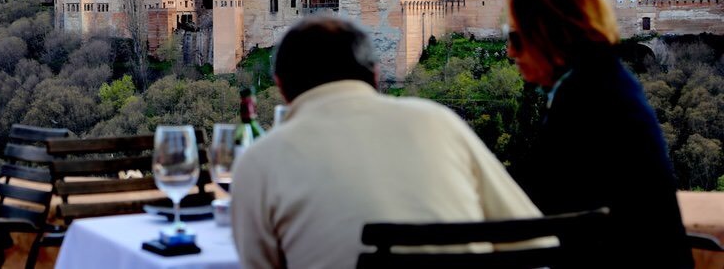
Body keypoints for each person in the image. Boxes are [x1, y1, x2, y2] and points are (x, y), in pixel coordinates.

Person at [231, 16, 544, 268]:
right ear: (376, 75)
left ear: (281, 87)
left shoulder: (259, 162)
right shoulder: (439, 122)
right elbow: (532, 238)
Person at [506, 0, 693, 268]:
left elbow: (536, 197)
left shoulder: (585, 97)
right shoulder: (599, 80)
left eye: (516, 37)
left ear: (549, 35)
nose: (510, 52)